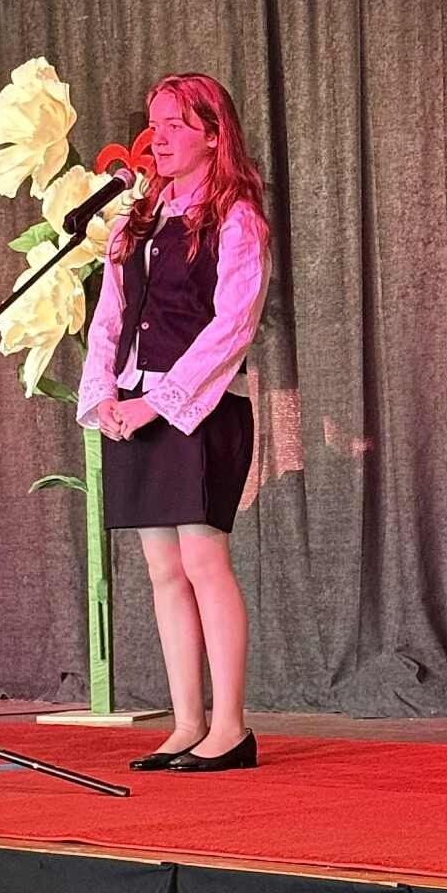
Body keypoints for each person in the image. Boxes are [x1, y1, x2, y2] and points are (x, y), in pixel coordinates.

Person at [77, 74, 270, 772]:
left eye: (176, 126)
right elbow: (109, 318)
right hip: (134, 404)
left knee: (202, 560)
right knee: (163, 569)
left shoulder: (236, 218)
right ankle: (187, 721)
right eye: (154, 124)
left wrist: (158, 401)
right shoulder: (137, 220)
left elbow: (232, 326)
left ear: (214, 137)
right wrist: (104, 394)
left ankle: (231, 727)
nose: (157, 138)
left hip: (199, 409)